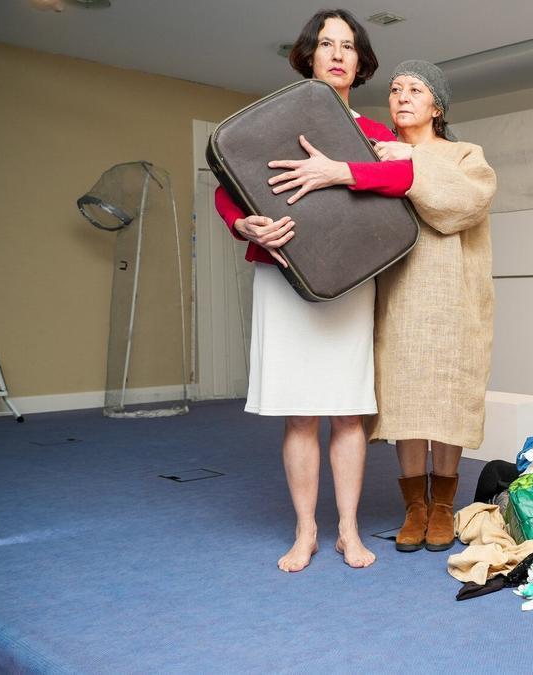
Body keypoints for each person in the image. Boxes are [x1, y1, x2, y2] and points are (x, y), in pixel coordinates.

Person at [214, 8, 412, 572]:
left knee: (348, 413)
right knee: (299, 414)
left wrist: (341, 171)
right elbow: (230, 183)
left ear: (360, 61)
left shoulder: (373, 133)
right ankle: (306, 530)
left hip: (347, 280)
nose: (337, 53)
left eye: (348, 45)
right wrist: (241, 224)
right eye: (326, 43)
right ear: (309, 55)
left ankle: (349, 531)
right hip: (285, 279)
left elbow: (403, 176)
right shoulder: (274, 119)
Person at [365, 60, 497, 554]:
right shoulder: (377, 154)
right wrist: (394, 159)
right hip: (399, 294)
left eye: (415, 89)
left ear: (436, 106)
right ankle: (414, 507)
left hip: (455, 296)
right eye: (395, 89)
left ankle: (442, 503)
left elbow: (462, 204)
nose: (402, 96)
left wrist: (409, 160)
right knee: (407, 400)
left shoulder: (466, 155)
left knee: (447, 398)